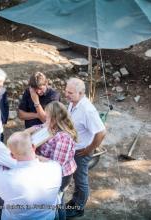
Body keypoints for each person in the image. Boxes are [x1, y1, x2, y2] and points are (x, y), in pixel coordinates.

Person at [27, 101, 77, 220]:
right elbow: (41, 127)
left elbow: (56, 165)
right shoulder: (52, 126)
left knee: (57, 202)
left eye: (47, 115)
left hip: (61, 175)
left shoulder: (63, 138)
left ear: (54, 119)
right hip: (50, 171)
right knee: (57, 201)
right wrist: (28, 131)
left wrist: (32, 155)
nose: (45, 117)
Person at [0, 131, 62, 220]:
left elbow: (2, 196)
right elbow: (50, 162)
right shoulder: (55, 168)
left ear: (12, 155)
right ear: (33, 147)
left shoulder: (4, 178)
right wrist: (36, 156)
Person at [65, 78, 106, 218]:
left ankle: (79, 208)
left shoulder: (87, 110)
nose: (66, 94)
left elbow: (101, 132)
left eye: (70, 92)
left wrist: (90, 149)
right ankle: (75, 201)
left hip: (81, 151)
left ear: (81, 93)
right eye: (66, 91)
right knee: (76, 178)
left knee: (80, 180)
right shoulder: (73, 103)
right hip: (74, 149)